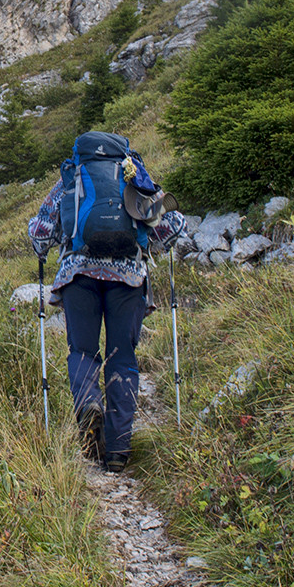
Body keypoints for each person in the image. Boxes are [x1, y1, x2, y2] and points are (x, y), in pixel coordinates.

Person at [27, 133, 181, 473]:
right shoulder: (133, 178)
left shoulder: (70, 178)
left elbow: (40, 234)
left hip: (78, 276)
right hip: (127, 279)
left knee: (81, 351)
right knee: (122, 357)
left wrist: (47, 245)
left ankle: (89, 405)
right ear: (122, 153)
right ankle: (117, 451)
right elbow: (169, 229)